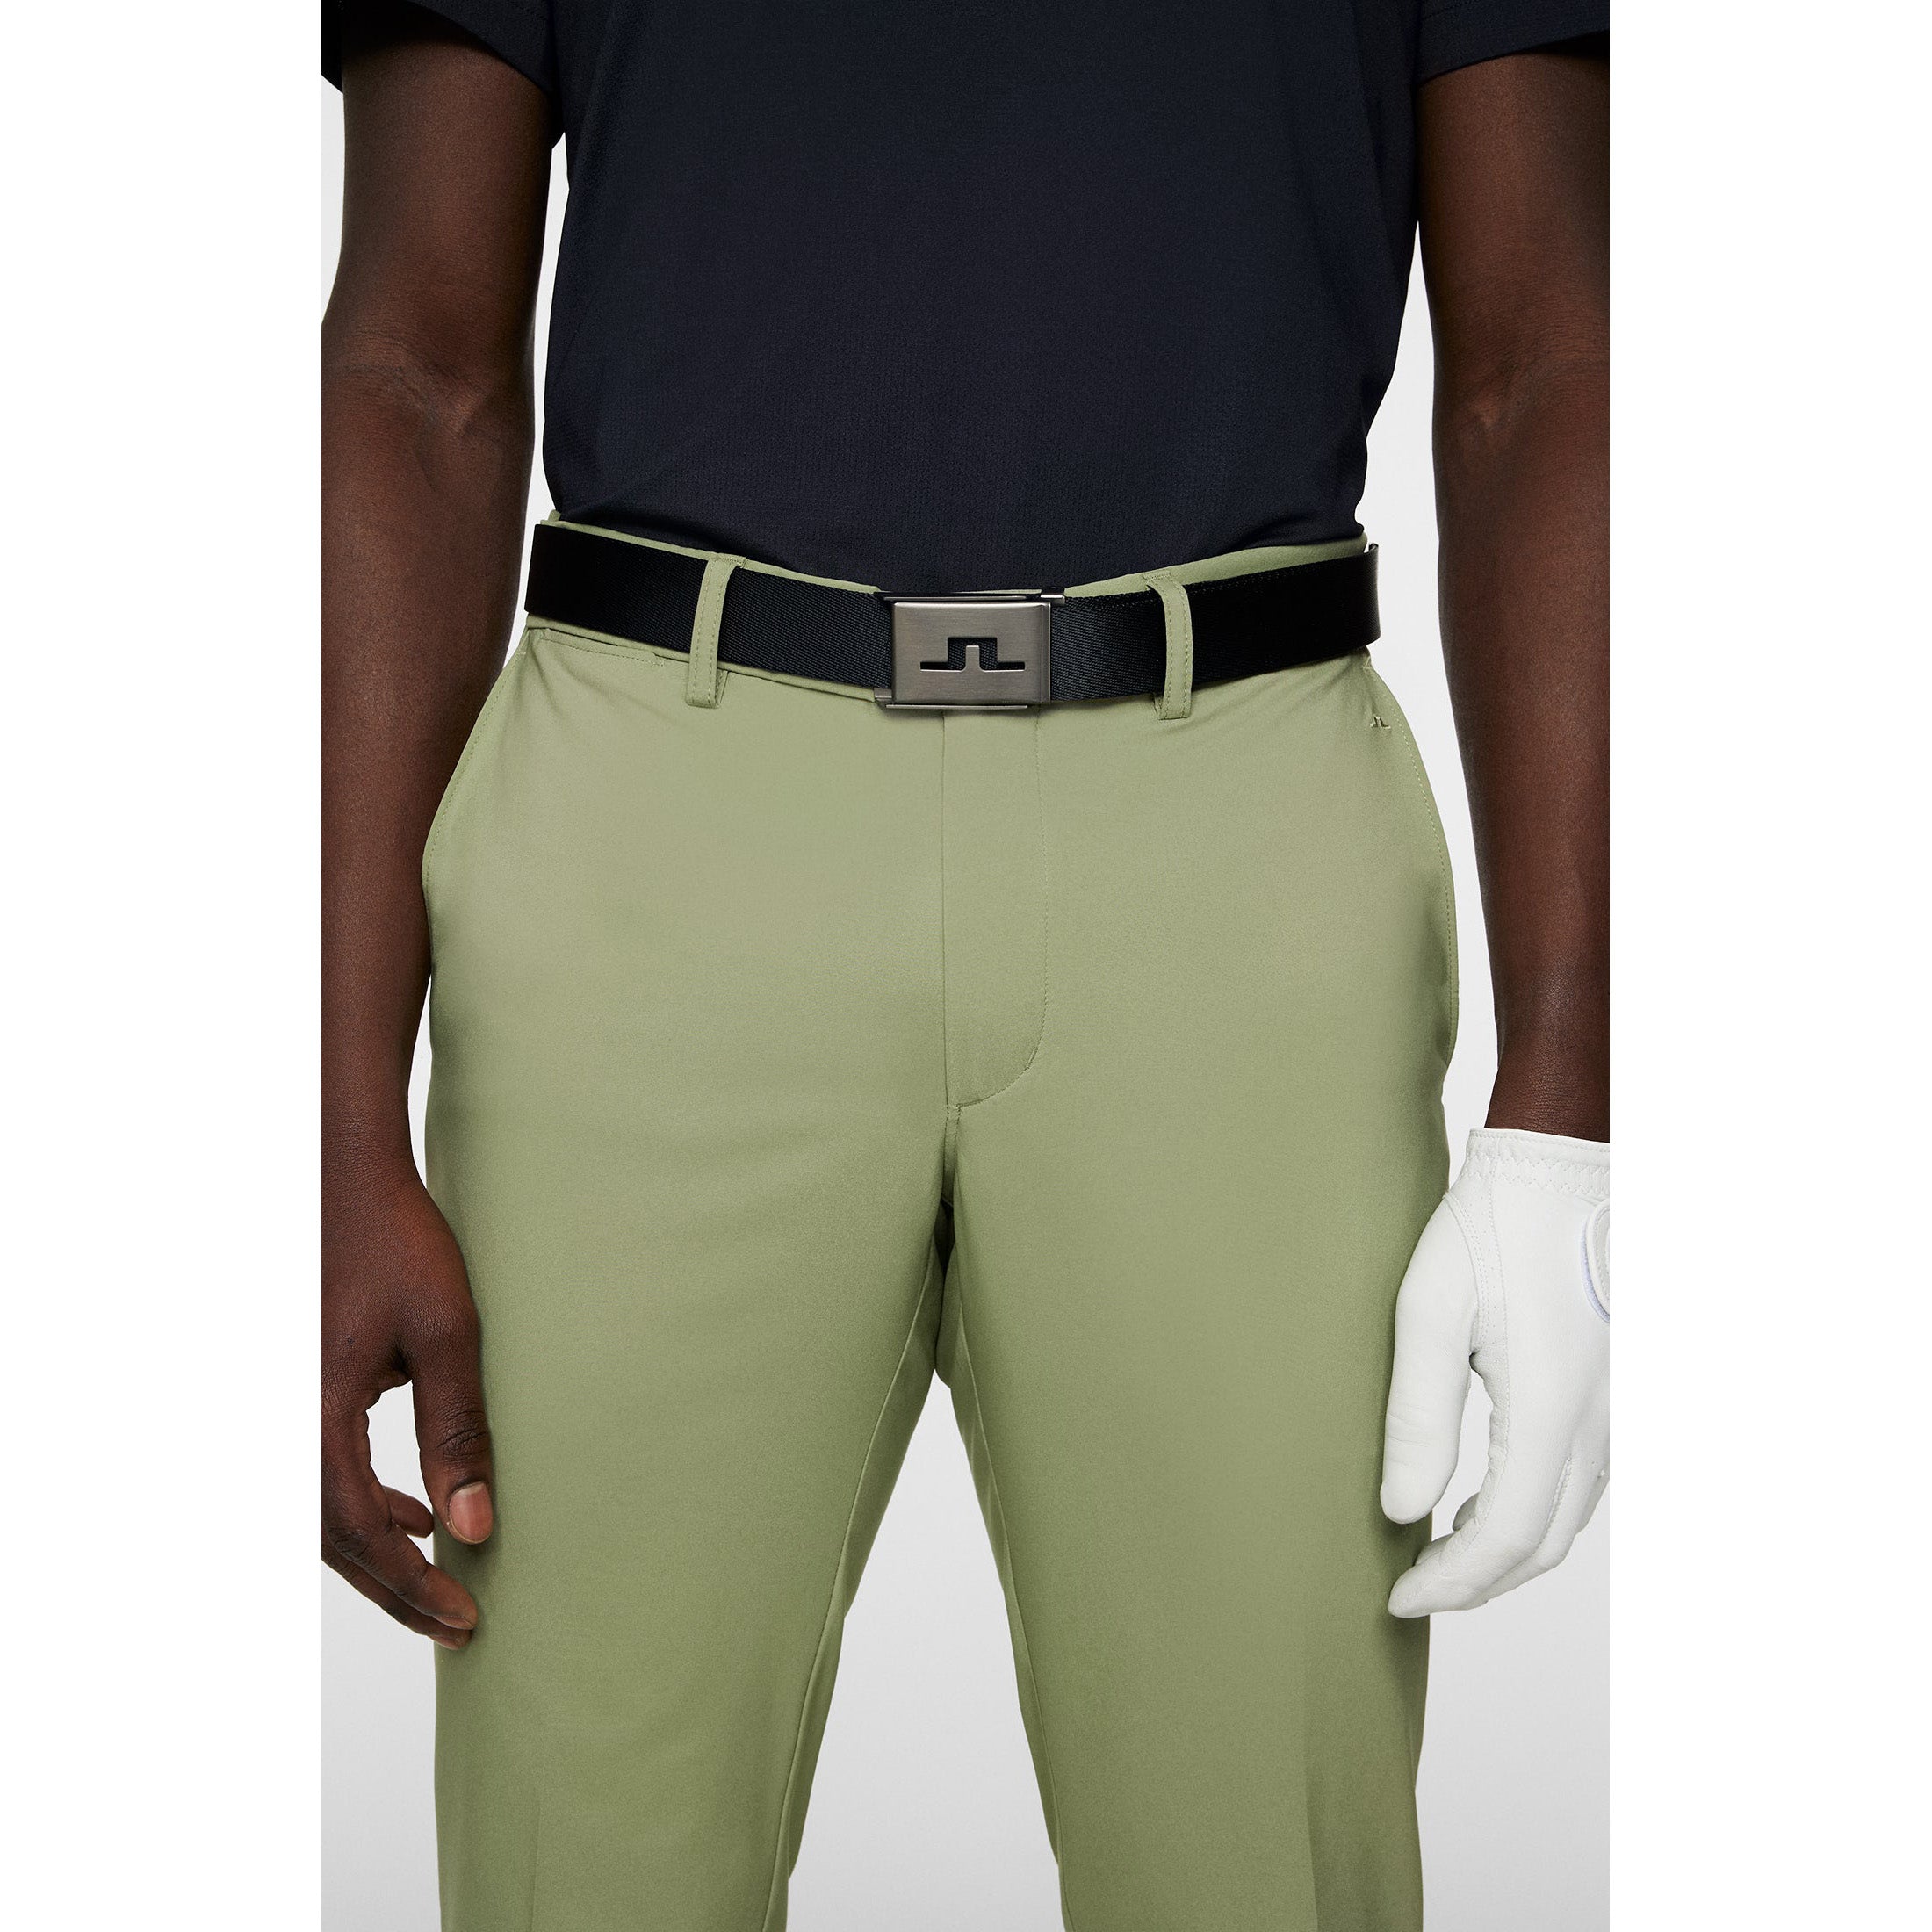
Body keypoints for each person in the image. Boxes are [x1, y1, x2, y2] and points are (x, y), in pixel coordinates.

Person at [321, 2, 1609, 1924]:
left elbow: (1538, 367)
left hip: (1235, 851)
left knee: (1265, 1868)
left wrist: (1565, 1105)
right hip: (658, 850)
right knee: (575, 1874)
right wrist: (333, 1119)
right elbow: (414, 370)